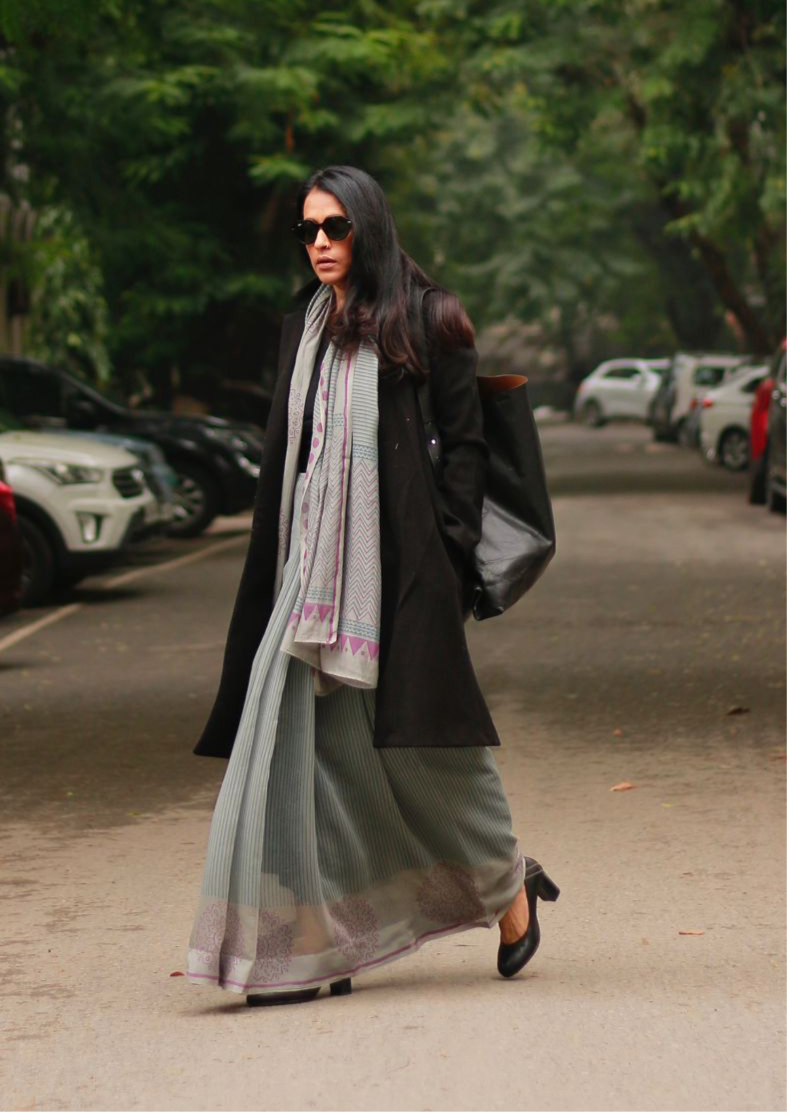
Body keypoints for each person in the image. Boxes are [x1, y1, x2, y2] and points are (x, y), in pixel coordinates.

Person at [185, 165, 559, 1005]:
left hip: (401, 571)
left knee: (432, 755)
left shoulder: (431, 319)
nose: (319, 243)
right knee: (294, 749)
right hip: (308, 572)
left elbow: (464, 449)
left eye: (335, 227)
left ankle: (509, 886)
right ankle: (310, 942)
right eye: (308, 230)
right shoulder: (304, 325)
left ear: (369, 227)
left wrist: (448, 557)